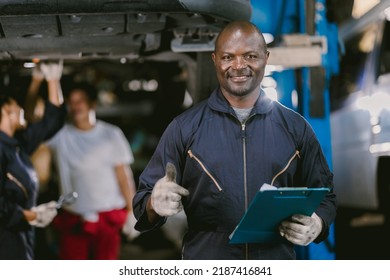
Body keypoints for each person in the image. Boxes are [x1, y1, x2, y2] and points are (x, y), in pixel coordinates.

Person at [133, 20, 337, 260]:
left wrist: (318, 223)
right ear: (215, 60)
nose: (239, 66)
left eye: (250, 56)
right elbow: (142, 202)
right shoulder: (184, 128)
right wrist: (154, 204)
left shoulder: (296, 128)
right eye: (228, 57)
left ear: (266, 56)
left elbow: (326, 197)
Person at [46, 82, 138, 260]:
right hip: (73, 219)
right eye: (71, 102)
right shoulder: (60, 135)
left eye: (80, 100)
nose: (75, 106)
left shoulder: (111, 134)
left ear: (92, 104)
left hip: (107, 218)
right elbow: (45, 118)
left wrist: (131, 211)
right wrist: (53, 80)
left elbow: (123, 175)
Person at [0, 62, 66, 260]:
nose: (21, 109)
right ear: (6, 111)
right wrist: (33, 215)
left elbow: (51, 122)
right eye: (16, 105)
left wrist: (53, 79)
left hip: (20, 236)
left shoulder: (16, 145)